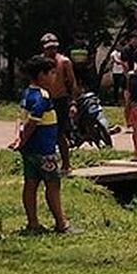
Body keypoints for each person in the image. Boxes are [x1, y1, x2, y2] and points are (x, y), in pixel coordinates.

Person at [10, 56, 70, 234]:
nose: (54, 77)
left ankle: (33, 223)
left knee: (31, 183)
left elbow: (20, 119)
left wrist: (19, 140)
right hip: (44, 151)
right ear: (41, 75)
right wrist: (23, 140)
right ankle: (61, 223)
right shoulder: (43, 97)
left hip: (30, 151)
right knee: (53, 184)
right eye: (51, 73)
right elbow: (31, 123)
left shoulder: (28, 93)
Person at [38, 33, 79, 175]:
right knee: (43, 132)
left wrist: (73, 103)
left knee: (60, 134)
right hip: (44, 100)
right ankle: (45, 163)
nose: (52, 51)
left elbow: (72, 83)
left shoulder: (64, 62)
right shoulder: (39, 62)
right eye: (49, 48)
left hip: (60, 100)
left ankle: (66, 164)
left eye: (54, 48)